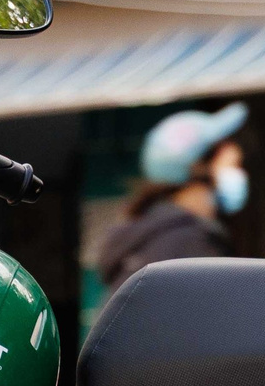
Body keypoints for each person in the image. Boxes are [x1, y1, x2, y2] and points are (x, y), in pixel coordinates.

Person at [94, 101, 251, 296]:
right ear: (199, 169)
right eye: (233, 165)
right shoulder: (188, 245)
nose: (239, 175)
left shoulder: (152, 236)